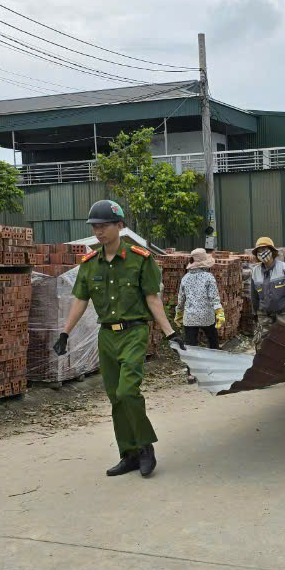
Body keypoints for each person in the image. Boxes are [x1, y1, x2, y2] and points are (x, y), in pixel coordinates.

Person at [55, 200, 183, 478]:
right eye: (95, 227)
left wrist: (171, 333)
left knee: (128, 391)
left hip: (134, 332)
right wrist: (65, 332)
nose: (98, 232)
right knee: (115, 397)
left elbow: (153, 299)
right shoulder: (90, 263)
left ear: (119, 226)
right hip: (106, 336)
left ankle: (146, 446)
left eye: (104, 226)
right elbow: (79, 301)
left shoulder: (141, 259)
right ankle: (129, 454)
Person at [250, 237, 285, 385]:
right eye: (259, 251)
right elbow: (254, 294)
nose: (263, 253)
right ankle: (264, 376)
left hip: (283, 312)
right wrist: (254, 313)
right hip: (264, 313)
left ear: (273, 252)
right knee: (262, 344)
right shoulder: (255, 272)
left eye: (265, 250)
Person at [175, 248, 225, 383]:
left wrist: (178, 314)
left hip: (189, 317)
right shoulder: (209, 277)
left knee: (190, 345)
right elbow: (214, 298)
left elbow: (181, 299)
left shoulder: (185, 278)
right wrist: (219, 312)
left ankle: (191, 375)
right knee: (213, 341)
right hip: (206, 316)